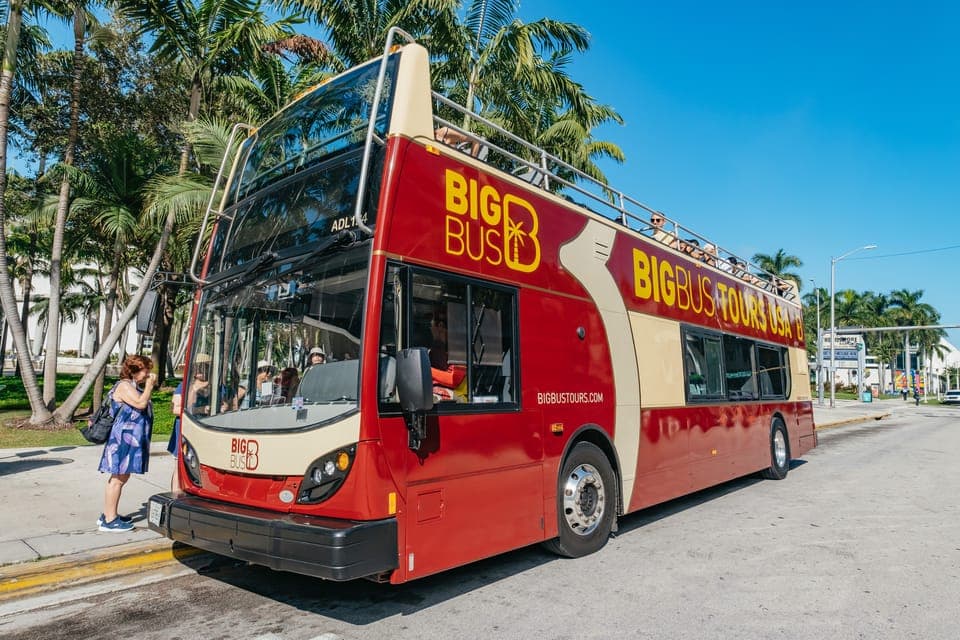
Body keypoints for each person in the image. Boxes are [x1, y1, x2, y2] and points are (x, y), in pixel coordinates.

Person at [97, 354, 156, 532]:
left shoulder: (131, 386)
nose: (148, 374)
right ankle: (110, 520)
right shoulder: (124, 386)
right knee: (118, 478)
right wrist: (150, 386)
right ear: (135, 370)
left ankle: (109, 513)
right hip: (123, 438)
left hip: (131, 438)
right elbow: (140, 403)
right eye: (146, 370)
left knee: (121, 477)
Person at [167, 380, 182, 491]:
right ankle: (175, 495)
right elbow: (175, 409)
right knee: (179, 466)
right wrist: (200, 410)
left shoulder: (218, 385)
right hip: (183, 427)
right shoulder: (183, 386)